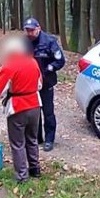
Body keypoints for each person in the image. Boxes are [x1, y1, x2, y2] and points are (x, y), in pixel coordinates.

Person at [0, 35, 43, 182]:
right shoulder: (33, 62)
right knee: (32, 139)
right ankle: (35, 168)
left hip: (17, 107)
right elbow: (40, 84)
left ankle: (22, 175)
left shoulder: (8, 66)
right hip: (35, 104)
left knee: (17, 143)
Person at [23, 17, 65, 151]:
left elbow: (60, 61)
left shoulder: (49, 41)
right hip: (30, 84)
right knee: (33, 113)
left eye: (32, 30)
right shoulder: (23, 43)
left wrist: (49, 69)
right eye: (27, 30)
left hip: (46, 83)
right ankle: (36, 137)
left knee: (48, 112)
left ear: (38, 28)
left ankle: (49, 139)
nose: (29, 33)